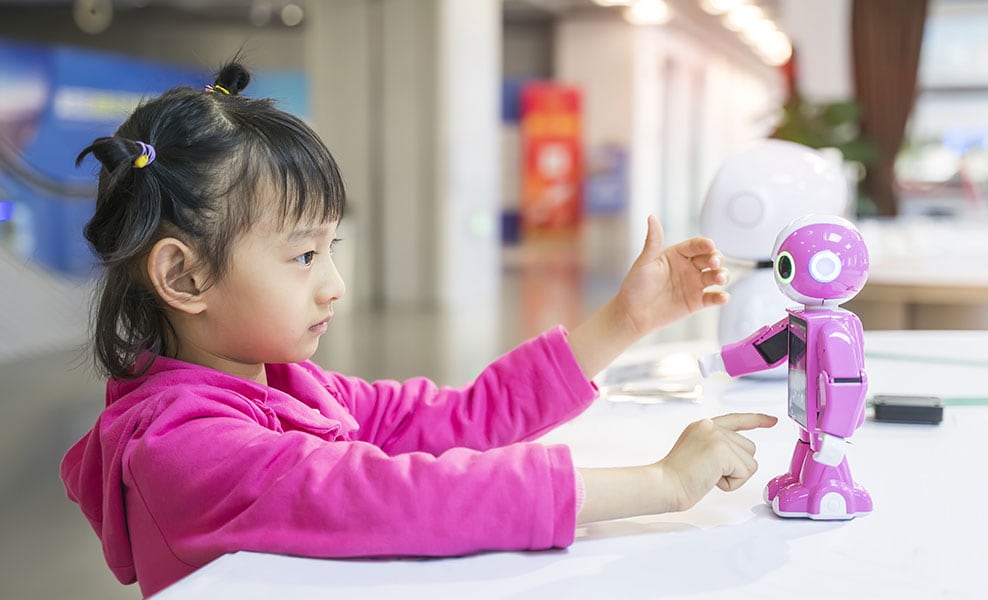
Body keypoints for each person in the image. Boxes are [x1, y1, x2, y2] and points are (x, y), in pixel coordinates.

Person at [60, 61, 777, 598]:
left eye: (332, 249)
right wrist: (660, 483)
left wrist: (627, 319)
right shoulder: (186, 450)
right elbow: (404, 498)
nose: (334, 283)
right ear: (184, 277)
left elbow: (459, 416)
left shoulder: (291, 387)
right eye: (303, 256)